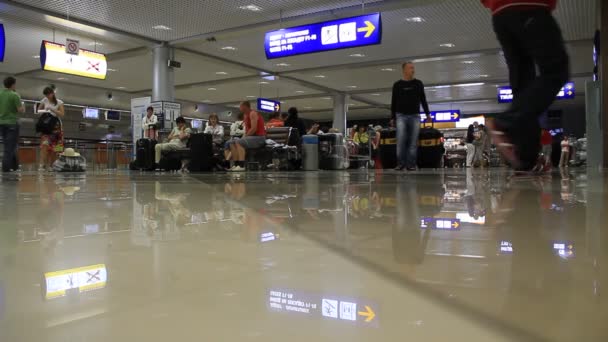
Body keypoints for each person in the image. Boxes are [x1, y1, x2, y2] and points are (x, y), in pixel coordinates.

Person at [482, 0, 569, 172]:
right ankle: (505, 121)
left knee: (523, 86)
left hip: (500, 15)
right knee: (556, 72)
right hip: (530, 7)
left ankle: (525, 160)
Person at [391, 62, 430, 171]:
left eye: (413, 68)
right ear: (404, 70)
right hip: (401, 115)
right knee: (401, 140)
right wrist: (392, 117)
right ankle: (400, 163)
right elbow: (393, 102)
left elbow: (423, 99)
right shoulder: (397, 85)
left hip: (415, 116)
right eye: (410, 68)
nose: (413, 70)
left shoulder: (418, 83)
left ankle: (411, 164)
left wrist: (427, 114)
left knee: (413, 141)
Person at [228, 101, 266, 172]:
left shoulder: (253, 113)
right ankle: (236, 165)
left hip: (259, 138)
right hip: (252, 138)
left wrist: (244, 137)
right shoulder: (245, 115)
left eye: (240, 106)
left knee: (240, 142)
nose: (240, 108)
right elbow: (247, 130)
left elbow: (254, 129)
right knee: (232, 142)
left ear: (245, 107)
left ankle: (242, 165)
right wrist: (244, 136)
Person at [0, 76, 25, 173]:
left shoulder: (0, 93)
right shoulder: (15, 95)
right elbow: (20, 110)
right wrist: (22, 105)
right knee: (9, 147)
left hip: (1, 123)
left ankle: (15, 166)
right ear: (13, 84)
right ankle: (6, 168)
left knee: (9, 145)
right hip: (12, 123)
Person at [38, 86, 65, 172]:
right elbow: (38, 110)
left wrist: (53, 110)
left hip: (56, 126)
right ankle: (42, 165)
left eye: (49, 94)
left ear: (53, 93)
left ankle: (52, 165)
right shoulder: (44, 100)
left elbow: (62, 114)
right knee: (45, 145)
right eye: (46, 95)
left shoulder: (59, 102)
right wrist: (44, 111)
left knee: (56, 148)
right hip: (46, 126)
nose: (48, 96)